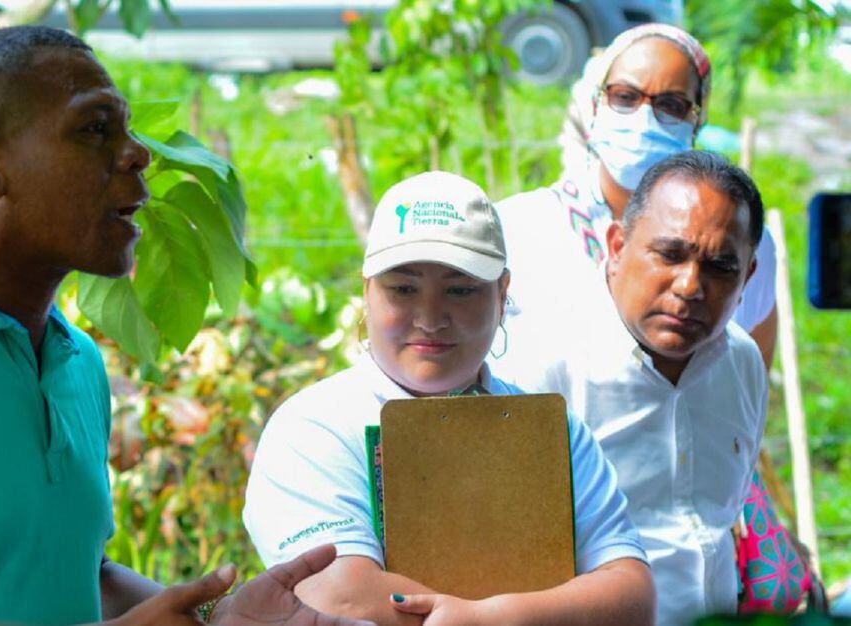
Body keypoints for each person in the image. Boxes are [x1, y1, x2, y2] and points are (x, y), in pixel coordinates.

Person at [0, 26, 374, 626]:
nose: (138, 154)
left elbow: (78, 572)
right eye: (95, 129)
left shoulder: (74, 358)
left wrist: (216, 619)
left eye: (127, 129)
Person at [242, 171, 655, 626]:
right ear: (366, 292)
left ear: (502, 294)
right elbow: (341, 597)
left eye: (460, 290)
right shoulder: (312, 428)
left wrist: (495, 618)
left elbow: (632, 595)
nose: (431, 318)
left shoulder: (552, 431)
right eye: (403, 289)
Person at [496, 151, 769, 626]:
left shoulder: (742, 363)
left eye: (720, 266)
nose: (690, 286)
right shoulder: (542, 365)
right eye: (669, 254)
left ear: (747, 276)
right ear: (617, 245)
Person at [499, 23, 779, 367]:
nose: (644, 118)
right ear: (596, 103)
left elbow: (751, 366)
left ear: (697, 119)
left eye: (671, 104)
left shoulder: (739, 241)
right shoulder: (520, 227)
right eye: (625, 97)